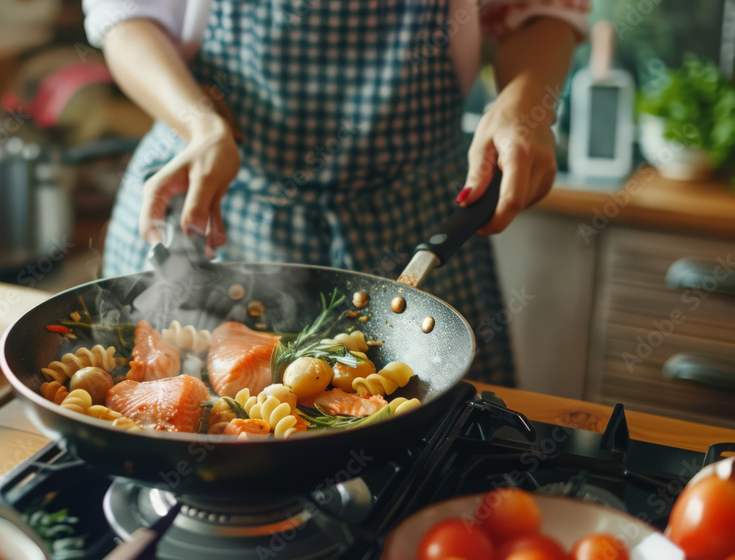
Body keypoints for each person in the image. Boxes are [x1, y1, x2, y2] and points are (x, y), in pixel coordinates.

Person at [83, 0, 589, 386]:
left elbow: (536, 13)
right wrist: (201, 126)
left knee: (427, 454)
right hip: (217, 201)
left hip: (410, 221)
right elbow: (128, 18)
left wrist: (526, 102)